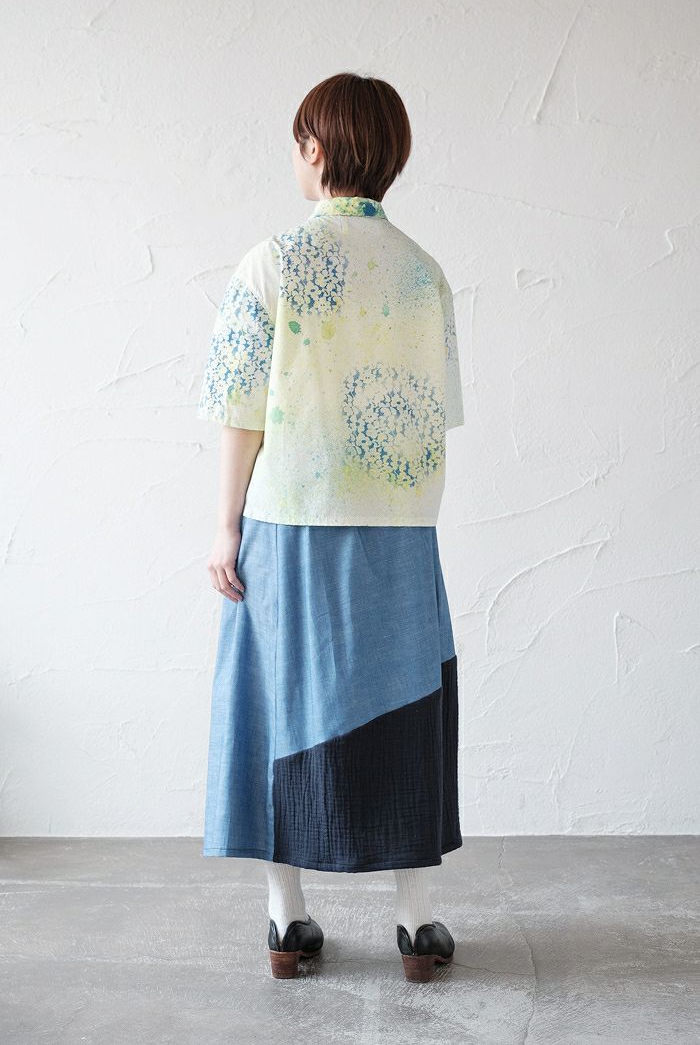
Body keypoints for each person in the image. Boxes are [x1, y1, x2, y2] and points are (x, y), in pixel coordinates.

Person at [196, 72, 465, 982]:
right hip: (399, 527)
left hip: (291, 522)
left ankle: (287, 920)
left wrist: (225, 528)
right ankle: (416, 928)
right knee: (411, 708)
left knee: (279, 706)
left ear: (315, 150)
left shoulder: (270, 262)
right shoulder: (425, 273)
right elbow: (437, 412)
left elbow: (240, 411)